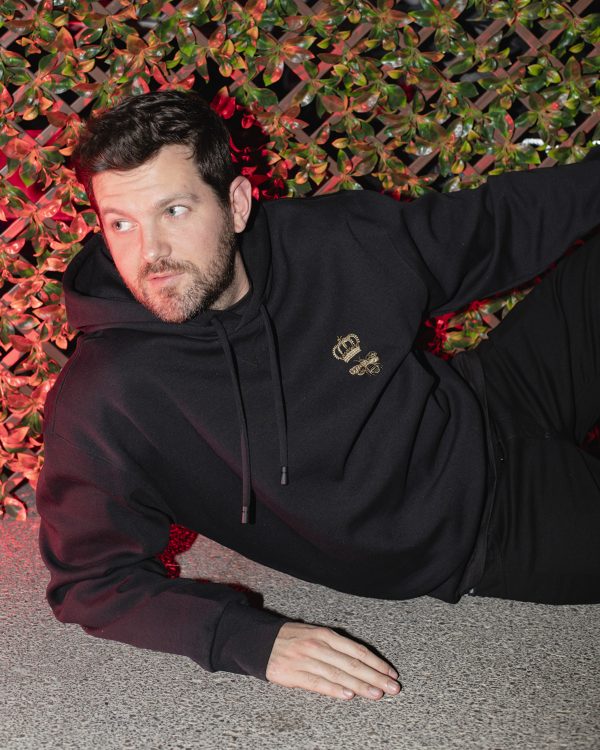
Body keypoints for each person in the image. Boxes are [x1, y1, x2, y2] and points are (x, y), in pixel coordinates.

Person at [37, 90, 600, 702]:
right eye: (121, 222)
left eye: (174, 210)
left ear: (236, 204)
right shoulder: (108, 395)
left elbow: (493, 225)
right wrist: (248, 639)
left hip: (487, 396)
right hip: (486, 530)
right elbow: (91, 581)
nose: (150, 253)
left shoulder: (327, 240)